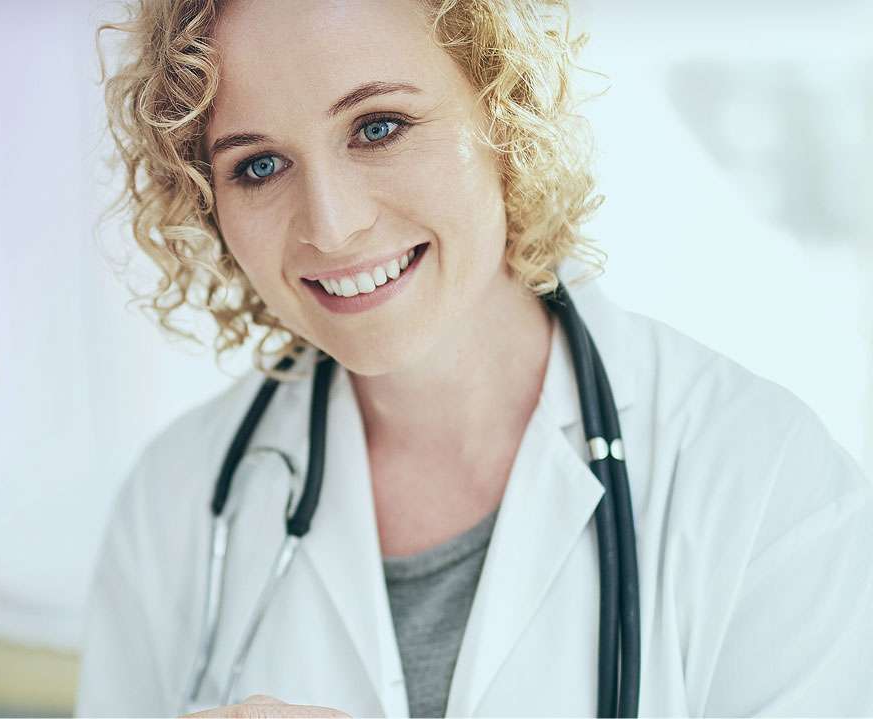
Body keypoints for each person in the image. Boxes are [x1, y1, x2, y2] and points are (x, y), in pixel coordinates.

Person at [79, 0, 873, 717]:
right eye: (258, 165)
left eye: (378, 126)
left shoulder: (766, 485)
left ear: (504, 105)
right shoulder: (172, 506)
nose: (331, 224)